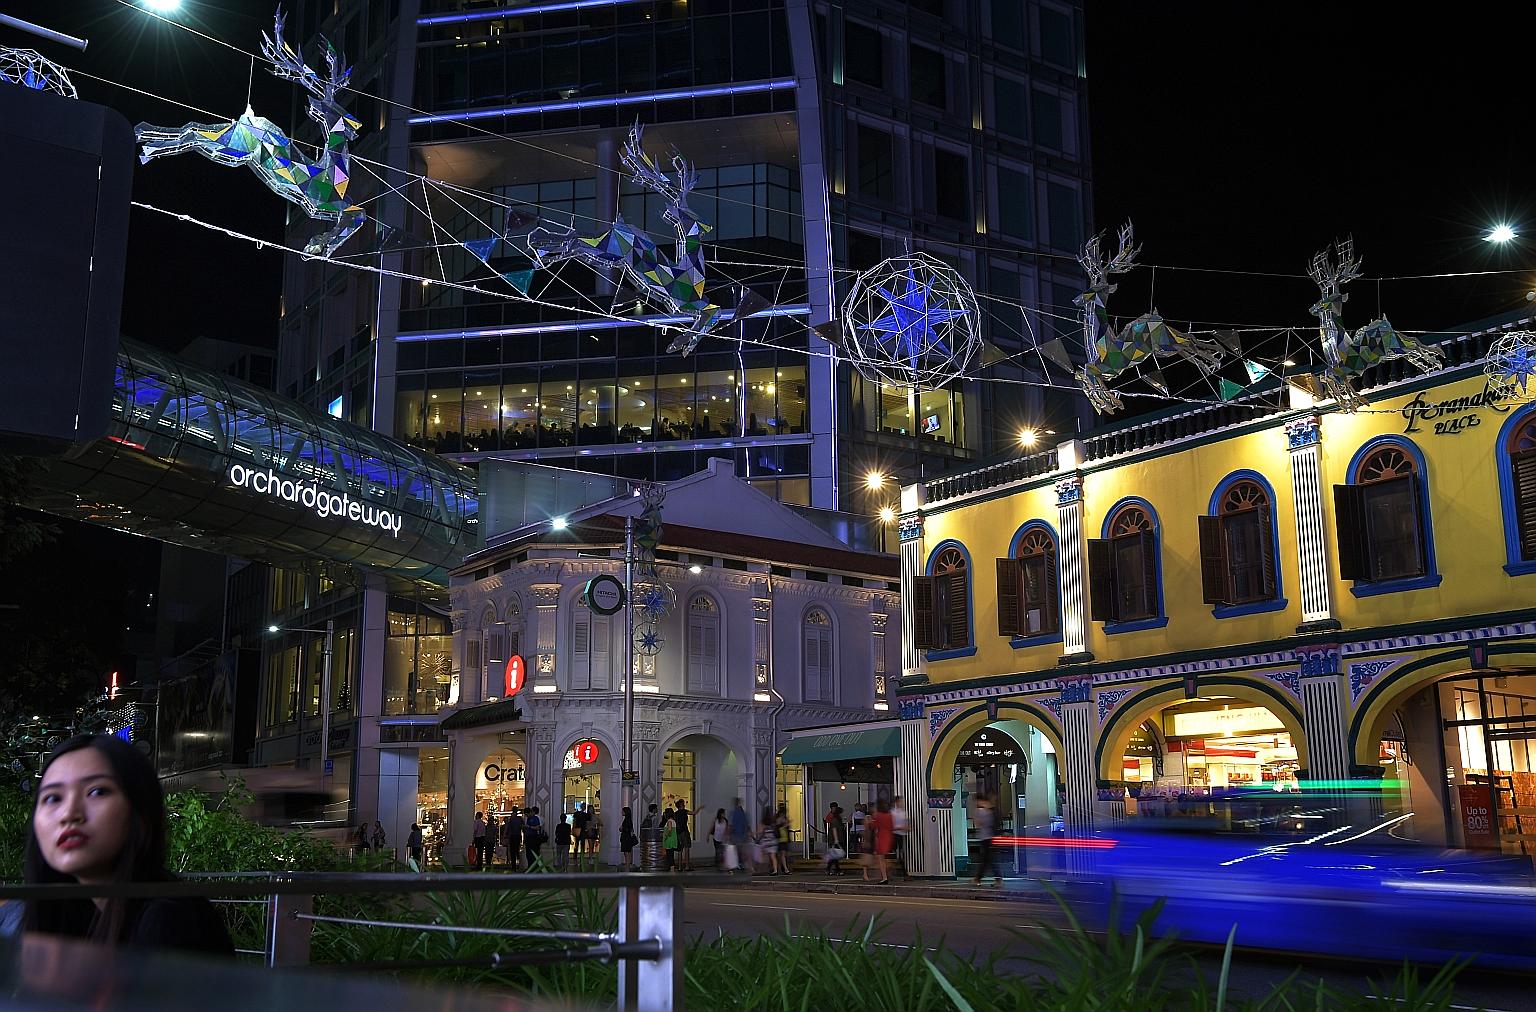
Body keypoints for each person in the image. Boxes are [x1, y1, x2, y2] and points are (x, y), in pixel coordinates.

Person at [8, 733, 233, 954]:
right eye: (53, 798)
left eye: (97, 792)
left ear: (141, 811)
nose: (69, 814)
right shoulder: (72, 914)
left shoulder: (169, 920)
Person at [970, 793, 1001, 888]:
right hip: (990, 836)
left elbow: (978, 824)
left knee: (986, 859)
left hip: (984, 837)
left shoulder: (979, 811)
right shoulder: (989, 809)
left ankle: (979, 878)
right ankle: (995, 878)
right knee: (988, 859)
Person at [871, 799, 895, 886]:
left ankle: (884, 877)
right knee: (884, 857)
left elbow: (874, 826)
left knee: (881, 858)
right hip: (888, 836)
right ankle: (886, 875)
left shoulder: (878, 815)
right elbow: (892, 826)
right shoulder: (889, 815)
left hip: (881, 837)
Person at [891, 796, 911, 882]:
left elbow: (907, 823)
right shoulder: (893, 813)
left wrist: (908, 827)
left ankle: (904, 872)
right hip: (896, 835)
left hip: (903, 835)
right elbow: (891, 826)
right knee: (898, 854)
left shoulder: (904, 812)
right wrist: (900, 828)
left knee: (903, 854)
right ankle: (903, 873)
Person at [823, 804, 847, 876]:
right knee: (834, 856)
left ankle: (832, 869)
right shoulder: (835, 820)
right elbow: (834, 829)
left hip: (836, 839)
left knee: (834, 856)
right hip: (835, 839)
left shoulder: (836, 819)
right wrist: (836, 840)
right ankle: (836, 870)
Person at [728, 798, 750, 873]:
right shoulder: (743, 813)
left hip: (735, 835)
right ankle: (741, 863)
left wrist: (728, 834)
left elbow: (731, 825)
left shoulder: (733, 813)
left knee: (736, 850)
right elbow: (746, 824)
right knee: (740, 850)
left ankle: (737, 863)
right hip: (742, 835)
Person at [758, 807, 779, 875]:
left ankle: (764, 868)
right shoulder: (773, 821)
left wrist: (753, 833)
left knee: (764, 854)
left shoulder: (763, 822)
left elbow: (760, 831)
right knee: (773, 856)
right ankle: (775, 870)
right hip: (773, 840)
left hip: (766, 841)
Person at [773, 804, 792, 875]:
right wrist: (785, 825)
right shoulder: (778, 819)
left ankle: (783, 868)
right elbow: (778, 827)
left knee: (783, 855)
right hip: (780, 839)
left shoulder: (785, 819)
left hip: (784, 838)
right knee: (781, 854)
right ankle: (784, 869)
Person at [619, 806, 637, 871]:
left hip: (626, 838)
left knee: (626, 853)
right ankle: (627, 866)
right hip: (628, 838)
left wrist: (621, 828)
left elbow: (626, 829)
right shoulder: (629, 820)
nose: (622, 812)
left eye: (623, 811)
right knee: (628, 852)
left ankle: (627, 867)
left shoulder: (626, 820)